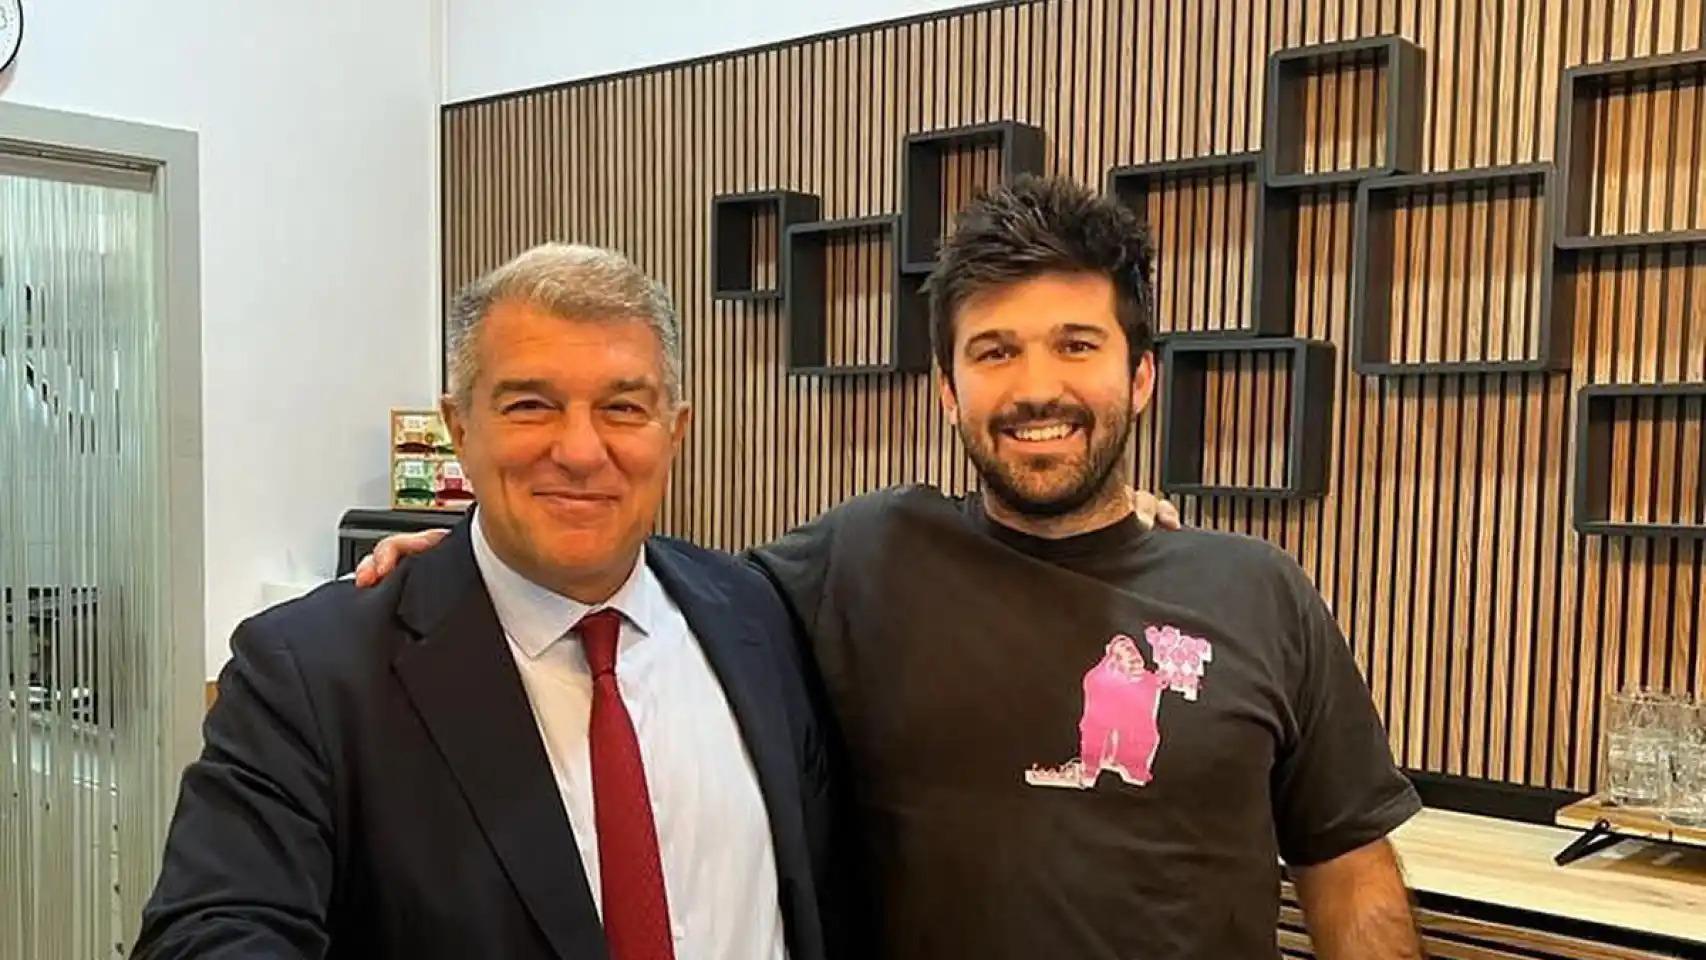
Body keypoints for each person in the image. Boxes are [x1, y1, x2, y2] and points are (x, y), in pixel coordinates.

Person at [360, 176, 1424, 959]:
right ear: (948, 391)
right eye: (994, 351)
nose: (1035, 385)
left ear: (1140, 376)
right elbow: (649, 590)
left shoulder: (1257, 589)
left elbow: (1344, 866)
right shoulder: (861, 560)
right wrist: (476, 565)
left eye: (1076, 345)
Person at [136, 245, 839, 960]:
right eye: (531, 405)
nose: (580, 450)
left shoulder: (757, 613)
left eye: (623, 408)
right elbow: (207, 937)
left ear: (674, 431)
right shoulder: (313, 676)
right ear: (458, 427)